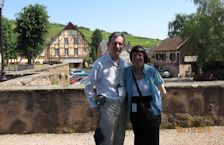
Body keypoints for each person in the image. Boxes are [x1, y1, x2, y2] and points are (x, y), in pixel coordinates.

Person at [84, 32, 127, 145]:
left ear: (123, 46)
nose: (117, 46)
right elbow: (88, 86)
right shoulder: (100, 63)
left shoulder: (124, 63)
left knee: (119, 140)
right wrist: (93, 106)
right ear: (108, 44)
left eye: (120, 44)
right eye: (115, 43)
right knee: (106, 141)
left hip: (122, 105)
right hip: (106, 106)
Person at [124, 45, 167, 145]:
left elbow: (163, 92)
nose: (137, 57)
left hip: (151, 109)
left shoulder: (152, 71)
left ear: (144, 57)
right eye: (134, 55)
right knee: (139, 138)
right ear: (131, 58)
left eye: (140, 55)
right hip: (135, 111)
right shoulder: (127, 72)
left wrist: (156, 105)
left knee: (152, 139)